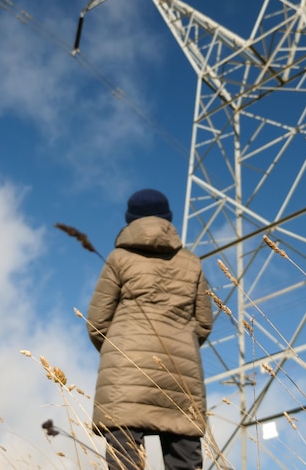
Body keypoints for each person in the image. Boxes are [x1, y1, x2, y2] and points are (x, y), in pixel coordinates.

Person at [86, 188, 213, 470]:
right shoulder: (192, 263)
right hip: (180, 375)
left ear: (130, 220)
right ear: (168, 218)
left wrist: (118, 350)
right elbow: (203, 323)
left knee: (125, 462)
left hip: (125, 372)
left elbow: (97, 323)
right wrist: (180, 344)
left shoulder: (118, 259)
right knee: (185, 461)